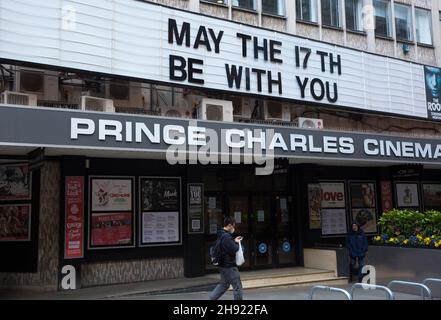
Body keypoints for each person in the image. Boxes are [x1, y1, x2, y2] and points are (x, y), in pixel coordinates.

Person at [209, 216, 243, 300]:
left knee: (224, 284)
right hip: (229, 266)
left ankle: (212, 298)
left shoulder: (221, 234)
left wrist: (233, 241)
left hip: (222, 265)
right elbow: (234, 249)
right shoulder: (227, 237)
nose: (234, 227)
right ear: (230, 225)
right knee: (237, 286)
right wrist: (237, 243)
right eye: (233, 225)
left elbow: (226, 247)